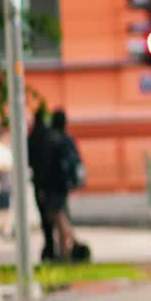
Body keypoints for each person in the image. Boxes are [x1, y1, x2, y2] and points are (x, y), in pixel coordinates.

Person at [40, 110, 84, 261]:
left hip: (53, 186)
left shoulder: (51, 139)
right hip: (63, 185)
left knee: (59, 218)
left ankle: (67, 250)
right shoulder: (67, 139)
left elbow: (46, 166)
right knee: (60, 217)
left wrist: (43, 187)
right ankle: (66, 250)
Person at [28, 109, 57, 261]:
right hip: (51, 184)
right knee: (54, 216)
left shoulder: (32, 138)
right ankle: (54, 246)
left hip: (39, 184)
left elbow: (29, 161)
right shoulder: (49, 137)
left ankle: (50, 245)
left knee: (45, 218)